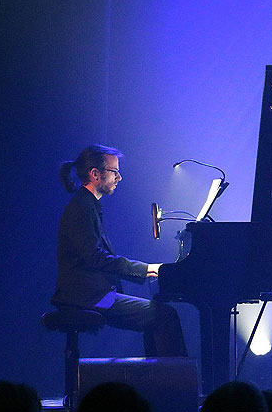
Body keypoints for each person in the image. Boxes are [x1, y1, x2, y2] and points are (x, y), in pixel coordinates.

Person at [52, 145, 187, 357]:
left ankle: (160, 380)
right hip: (85, 297)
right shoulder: (80, 208)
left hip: (90, 294)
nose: (119, 178)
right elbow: (95, 258)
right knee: (164, 316)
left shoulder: (88, 206)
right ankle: (173, 385)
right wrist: (146, 269)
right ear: (95, 174)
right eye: (114, 172)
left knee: (157, 315)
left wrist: (145, 270)